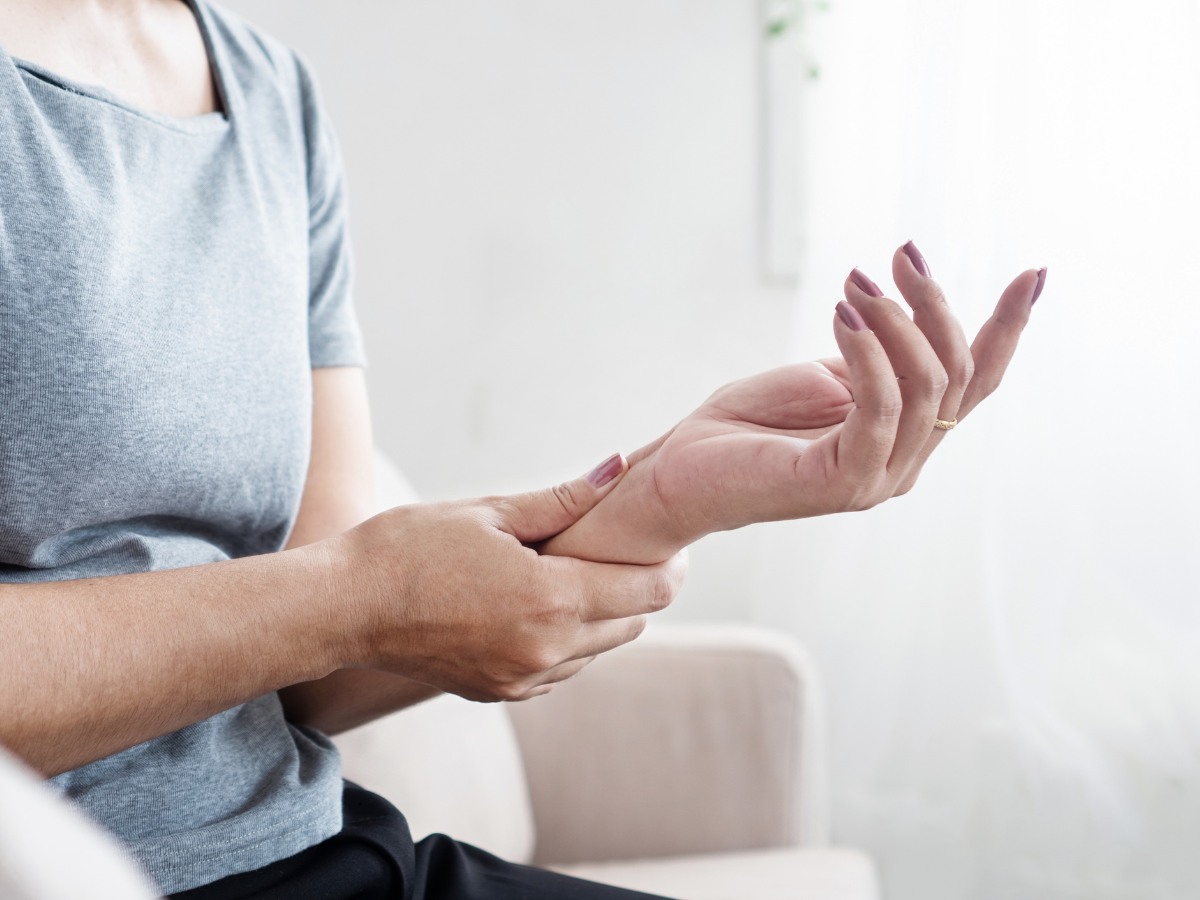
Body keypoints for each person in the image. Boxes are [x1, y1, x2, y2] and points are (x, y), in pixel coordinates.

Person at [0, 0, 1045, 897]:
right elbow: (339, 596)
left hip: (315, 857)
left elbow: (312, 671)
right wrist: (356, 592)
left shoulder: (271, 94)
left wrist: (661, 495)